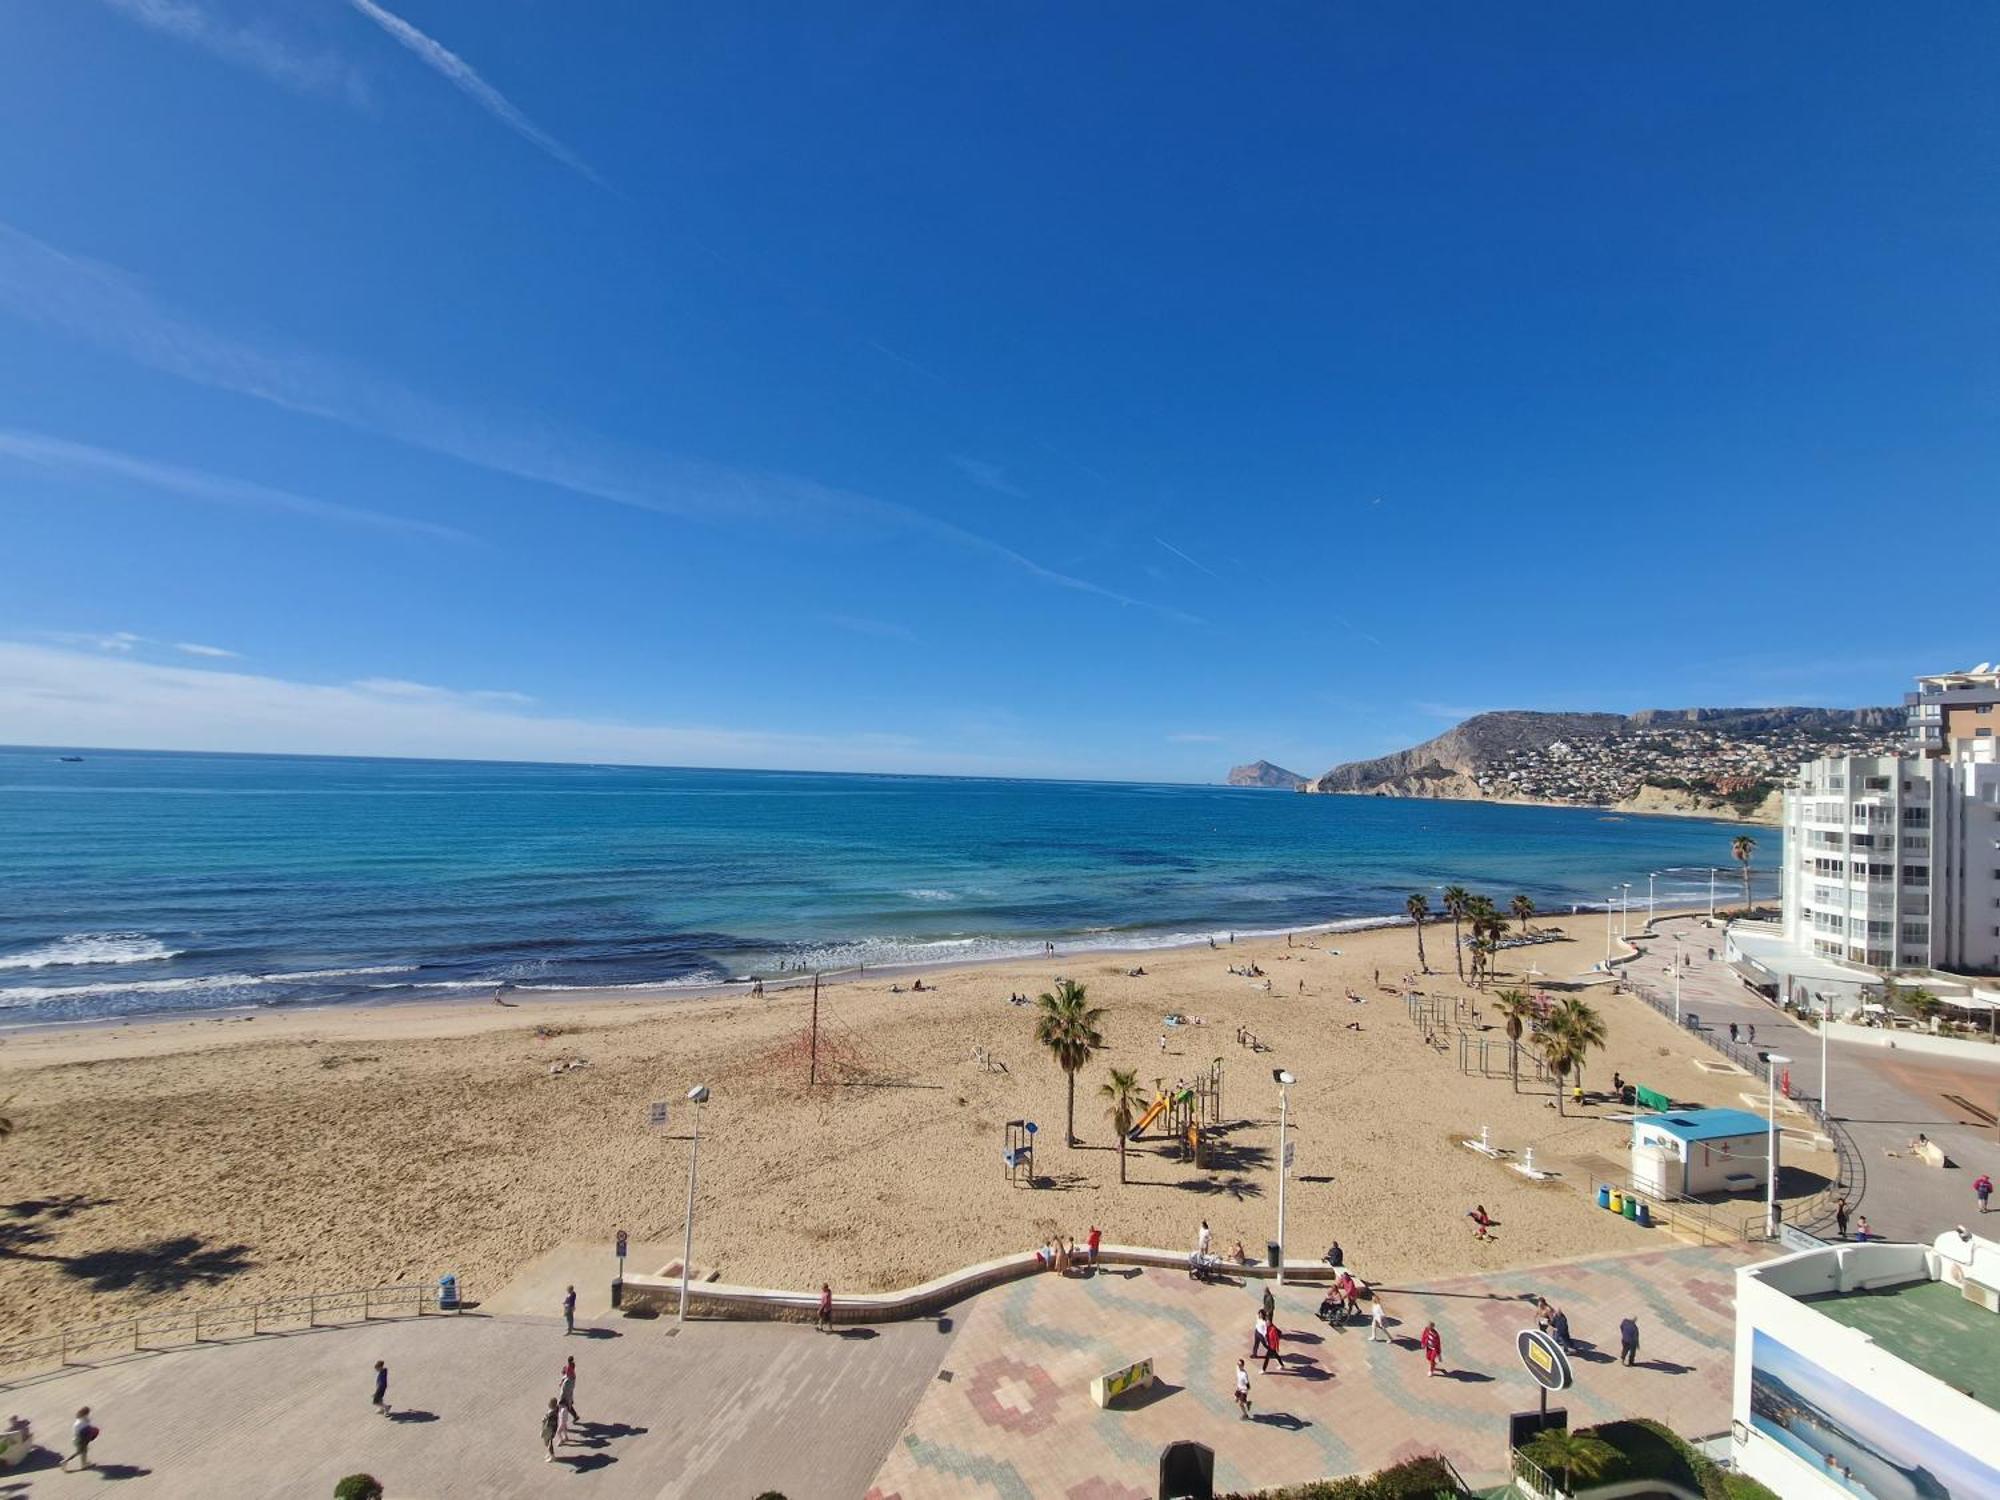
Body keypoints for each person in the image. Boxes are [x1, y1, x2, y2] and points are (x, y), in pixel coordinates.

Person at [65, 1407, 97, 1472]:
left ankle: (84, 1464)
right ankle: (65, 1461)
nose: (88, 1414)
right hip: (81, 1440)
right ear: (85, 1414)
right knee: (80, 1452)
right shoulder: (82, 1422)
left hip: (78, 1439)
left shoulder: (79, 1420)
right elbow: (85, 1431)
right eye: (88, 1413)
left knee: (84, 1451)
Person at [558, 1356, 579, 1421]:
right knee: (569, 1407)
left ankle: (562, 1421)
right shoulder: (572, 1376)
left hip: (566, 1397)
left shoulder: (567, 1381)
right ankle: (575, 1416)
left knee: (565, 1407)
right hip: (569, 1395)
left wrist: (560, 1399)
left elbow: (564, 1390)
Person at [541, 1398, 561, 1462]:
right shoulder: (554, 1410)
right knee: (547, 1442)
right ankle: (550, 1453)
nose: (548, 1404)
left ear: (551, 1405)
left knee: (549, 1443)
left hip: (549, 1430)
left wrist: (544, 1419)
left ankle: (552, 1456)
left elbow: (549, 1422)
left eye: (549, 1403)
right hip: (550, 1429)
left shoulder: (552, 1413)